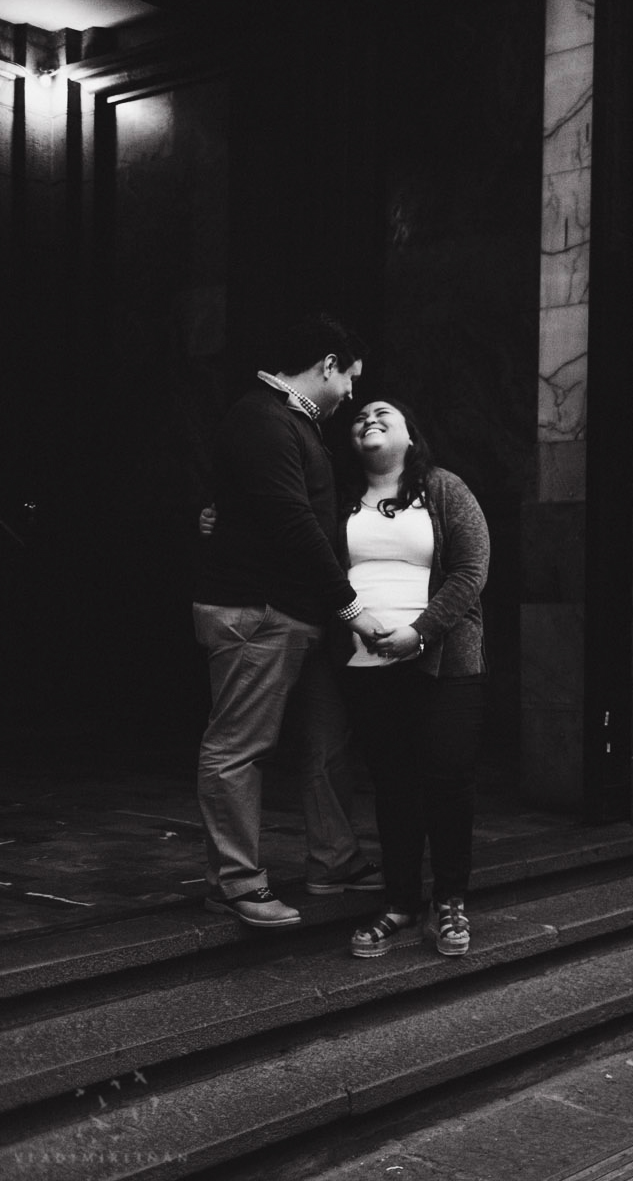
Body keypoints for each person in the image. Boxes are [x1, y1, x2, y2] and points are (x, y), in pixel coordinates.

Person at [192, 313, 387, 928]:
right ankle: (236, 885)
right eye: (349, 377)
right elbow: (292, 522)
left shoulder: (289, 424)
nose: (351, 393)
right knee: (237, 749)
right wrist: (351, 607)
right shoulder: (263, 417)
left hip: (294, 615)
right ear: (327, 364)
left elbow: (260, 509)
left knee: (327, 741)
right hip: (260, 612)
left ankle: (332, 860)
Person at [339, 399, 491, 960]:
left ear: (410, 435)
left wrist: (420, 633)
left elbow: (472, 570)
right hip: (367, 666)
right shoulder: (340, 498)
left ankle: (449, 900)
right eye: (360, 418)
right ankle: (400, 903)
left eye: (385, 414)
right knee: (393, 785)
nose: (369, 419)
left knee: (448, 782)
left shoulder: (443, 488)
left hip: (445, 664)